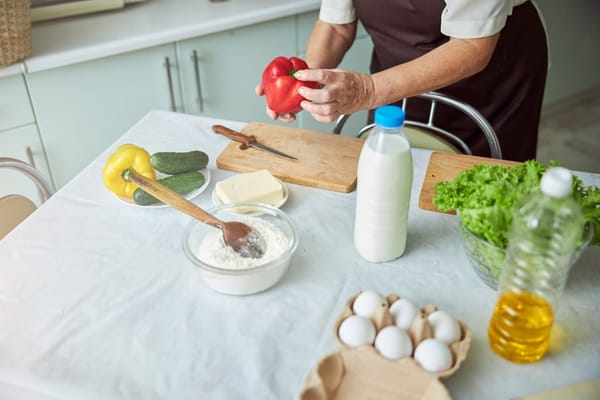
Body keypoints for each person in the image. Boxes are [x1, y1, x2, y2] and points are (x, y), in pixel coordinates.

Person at [256, 0, 548, 162]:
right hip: (392, 79)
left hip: (492, 85)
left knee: (484, 191)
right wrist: (306, 81)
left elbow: (472, 47)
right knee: (393, 172)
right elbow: (336, 24)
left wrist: (369, 90)